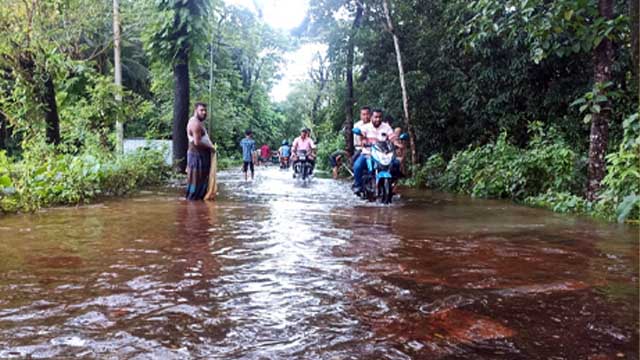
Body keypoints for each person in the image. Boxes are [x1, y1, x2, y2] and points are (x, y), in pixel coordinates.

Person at [353, 109, 396, 194]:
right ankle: (358, 186)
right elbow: (362, 137)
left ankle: (393, 185)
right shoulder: (365, 127)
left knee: (396, 164)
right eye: (376, 117)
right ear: (371, 117)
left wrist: (396, 142)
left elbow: (392, 137)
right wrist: (364, 141)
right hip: (368, 154)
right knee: (357, 166)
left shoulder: (386, 127)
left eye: (380, 117)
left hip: (383, 155)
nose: (378, 119)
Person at [185, 102, 214, 200]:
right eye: (201, 110)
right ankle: (193, 210)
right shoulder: (195, 124)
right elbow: (197, 143)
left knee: (200, 185)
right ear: (195, 110)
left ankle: (198, 209)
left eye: (205, 110)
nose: (204, 112)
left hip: (200, 157)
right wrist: (211, 147)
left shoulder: (198, 122)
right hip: (197, 158)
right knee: (195, 186)